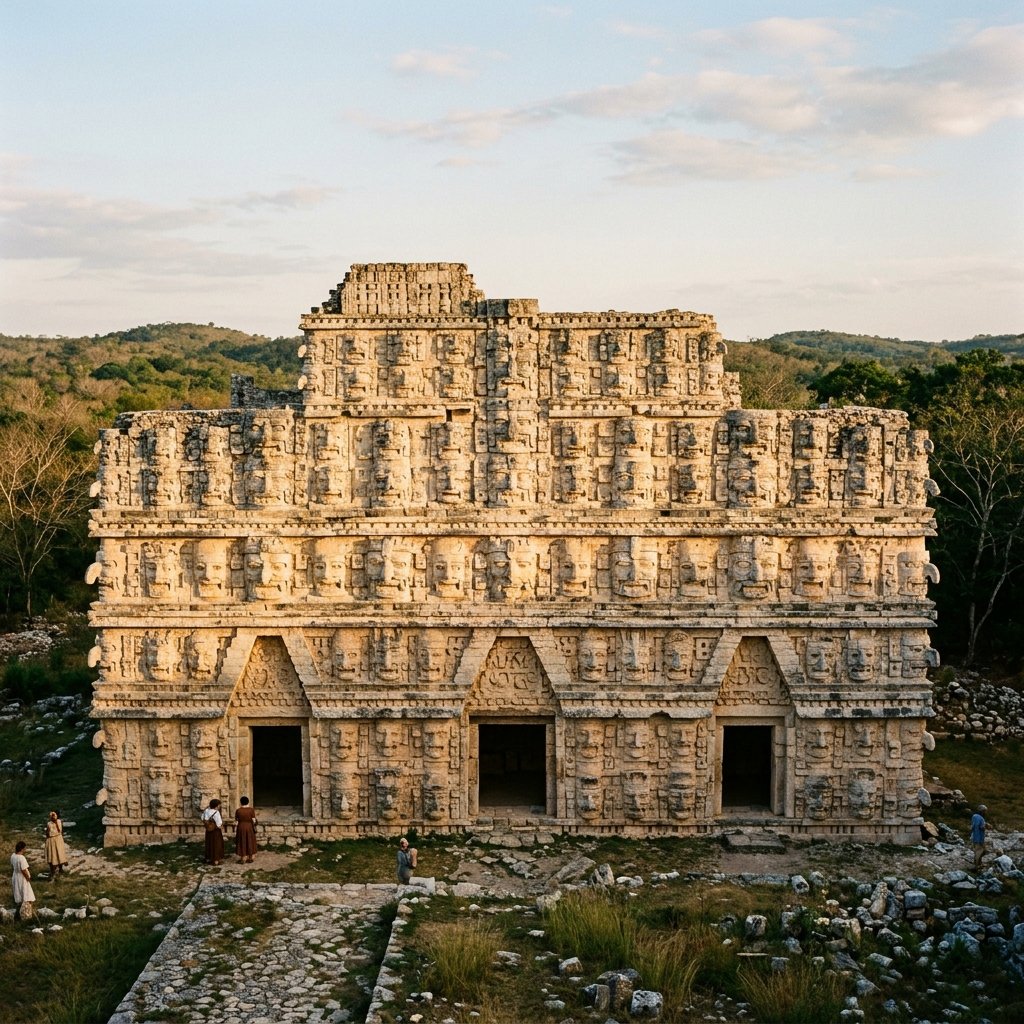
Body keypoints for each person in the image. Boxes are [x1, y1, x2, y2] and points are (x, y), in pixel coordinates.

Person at [11, 841, 36, 920]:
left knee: (19, 893)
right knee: (27, 895)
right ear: (22, 849)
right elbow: (24, 870)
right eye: (24, 848)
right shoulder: (21, 858)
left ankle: (18, 913)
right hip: (22, 877)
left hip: (15, 876)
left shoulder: (13, 855)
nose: (25, 849)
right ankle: (26, 915)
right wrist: (28, 878)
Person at [45, 810, 68, 878]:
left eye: (54, 814)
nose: (52, 816)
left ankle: (60, 869)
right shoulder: (49, 823)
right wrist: (47, 834)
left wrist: (55, 821)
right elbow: (47, 832)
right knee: (52, 854)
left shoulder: (58, 821)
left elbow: (59, 830)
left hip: (58, 839)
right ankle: (52, 871)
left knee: (59, 853)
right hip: (51, 840)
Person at [234, 796, 258, 864]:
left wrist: (235, 829)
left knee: (242, 841)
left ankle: (243, 858)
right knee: (250, 841)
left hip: (241, 827)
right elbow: (254, 820)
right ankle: (250, 857)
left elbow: (236, 821)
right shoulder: (251, 810)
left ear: (240, 802)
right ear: (248, 802)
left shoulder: (238, 810)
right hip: (249, 827)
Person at [202, 799, 224, 865]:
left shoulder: (206, 811)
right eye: (219, 805)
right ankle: (216, 860)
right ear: (216, 806)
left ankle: (208, 858)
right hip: (215, 831)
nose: (220, 806)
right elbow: (219, 823)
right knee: (216, 845)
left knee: (209, 844)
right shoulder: (216, 812)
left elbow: (203, 818)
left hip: (208, 830)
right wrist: (221, 827)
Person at [970, 804, 988, 870]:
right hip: (980, 837)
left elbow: (973, 826)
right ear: (982, 811)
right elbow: (981, 827)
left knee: (981, 850)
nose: (986, 813)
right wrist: (986, 826)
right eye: (985, 811)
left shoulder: (974, 816)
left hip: (974, 836)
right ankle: (976, 866)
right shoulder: (981, 818)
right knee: (979, 851)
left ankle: (980, 863)